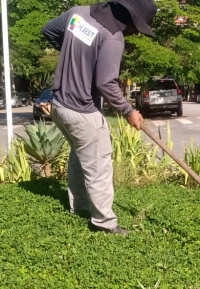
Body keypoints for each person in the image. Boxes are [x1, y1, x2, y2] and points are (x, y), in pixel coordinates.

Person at [42, 0, 157, 235]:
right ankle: (104, 224)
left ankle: (80, 207)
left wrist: (76, 56)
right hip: (83, 112)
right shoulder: (113, 38)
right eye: (138, 26)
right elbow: (106, 83)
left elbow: (49, 30)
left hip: (59, 106)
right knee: (99, 167)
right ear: (131, 19)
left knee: (78, 154)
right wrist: (129, 111)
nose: (135, 32)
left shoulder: (77, 15)